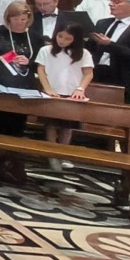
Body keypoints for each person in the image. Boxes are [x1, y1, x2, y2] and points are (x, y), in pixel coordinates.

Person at [35, 24, 95, 168]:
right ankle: (51, 154)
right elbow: (41, 70)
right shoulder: (46, 50)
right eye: (60, 36)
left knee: (67, 126)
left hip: (71, 93)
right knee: (50, 124)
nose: (62, 41)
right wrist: (47, 89)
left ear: (75, 39)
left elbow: (88, 73)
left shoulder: (84, 53)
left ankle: (63, 153)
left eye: (68, 38)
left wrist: (80, 89)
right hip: (51, 92)